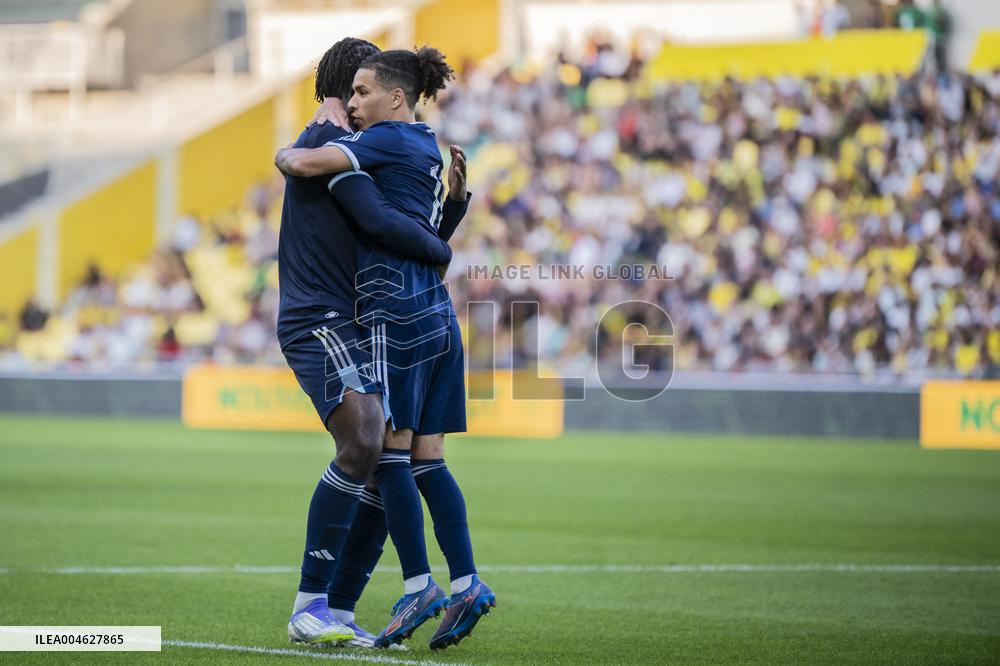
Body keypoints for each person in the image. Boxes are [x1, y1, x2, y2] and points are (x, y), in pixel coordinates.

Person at [275, 46, 496, 650]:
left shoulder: (370, 145)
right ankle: (312, 603)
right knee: (372, 439)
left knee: (384, 457)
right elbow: (381, 226)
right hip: (321, 313)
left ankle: (343, 608)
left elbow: (399, 229)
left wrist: (446, 216)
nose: (358, 102)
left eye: (367, 91)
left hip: (371, 314)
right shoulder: (331, 140)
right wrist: (441, 246)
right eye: (357, 88)